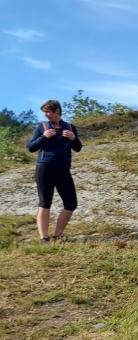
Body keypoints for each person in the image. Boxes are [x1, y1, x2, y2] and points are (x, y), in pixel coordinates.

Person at [27, 100, 83, 243]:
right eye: (44, 112)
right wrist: (44, 137)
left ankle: (58, 235)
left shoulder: (70, 127)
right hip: (44, 169)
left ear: (57, 111)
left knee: (71, 203)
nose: (46, 115)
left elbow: (78, 148)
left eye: (48, 112)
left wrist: (73, 138)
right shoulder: (42, 127)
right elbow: (31, 147)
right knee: (45, 202)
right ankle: (44, 238)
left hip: (63, 170)